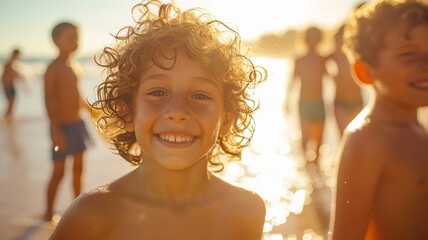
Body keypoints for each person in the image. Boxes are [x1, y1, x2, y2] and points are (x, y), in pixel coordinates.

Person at [49, 1, 267, 239]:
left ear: (226, 120)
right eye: (158, 92)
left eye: (199, 95)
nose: (177, 111)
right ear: (128, 113)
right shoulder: (91, 216)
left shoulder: (246, 210)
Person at [329, 0, 428, 239]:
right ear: (365, 72)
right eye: (408, 54)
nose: (425, 64)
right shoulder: (367, 140)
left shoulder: (415, 127)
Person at [44, 22, 91, 221]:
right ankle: (48, 211)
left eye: (77, 37)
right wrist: (56, 131)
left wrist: (90, 109)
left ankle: (76, 206)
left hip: (77, 124)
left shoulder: (75, 65)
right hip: (61, 126)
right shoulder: (53, 68)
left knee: (79, 168)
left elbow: (77, 92)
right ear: (56, 40)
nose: (76, 41)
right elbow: (49, 100)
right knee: (59, 172)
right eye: (70, 37)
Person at [286, 26, 327, 168]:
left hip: (319, 102)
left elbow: (330, 76)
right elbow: (293, 80)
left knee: (319, 138)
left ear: (319, 41)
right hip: (304, 103)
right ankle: (305, 165)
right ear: (305, 40)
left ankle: (316, 164)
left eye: (315, 39)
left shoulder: (322, 59)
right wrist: (286, 101)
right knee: (305, 138)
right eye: (310, 39)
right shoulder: (299, 60)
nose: (312, 42)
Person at [326, 25, 364, 136]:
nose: (338, 46)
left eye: (340, 41)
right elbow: (317, 62)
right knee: (343, 136)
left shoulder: (356, 53)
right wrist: (332, 77)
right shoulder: (334, 56)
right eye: (336, 42)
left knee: (357, 136)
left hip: (357, 100)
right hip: (340, 101)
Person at [1, 49, 22, 122]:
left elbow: (15, 75)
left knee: (12, 103)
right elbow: (4, 76)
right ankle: (5, 119)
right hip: (9, 86)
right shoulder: (8, 63)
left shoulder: (14, 63)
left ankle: (9, 118)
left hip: (11, 86)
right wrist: (6, 86)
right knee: (10, 103)